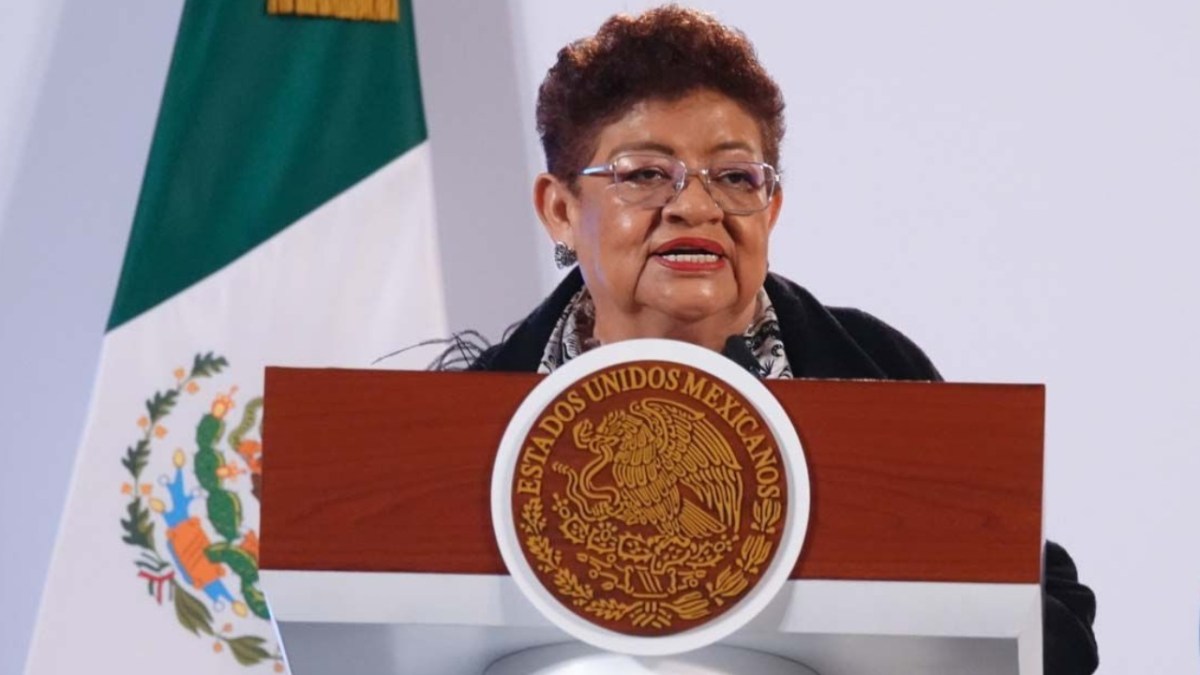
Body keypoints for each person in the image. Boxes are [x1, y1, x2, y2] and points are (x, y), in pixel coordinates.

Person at [456, 6, 1098, 672]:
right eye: (645, 174)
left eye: (735, 177)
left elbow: (1048, 612)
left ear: (772, 207)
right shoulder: (461, 415)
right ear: (559, 209)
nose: (695, 207)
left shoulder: (878, 371)